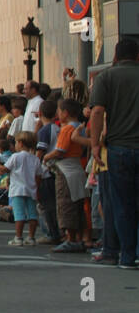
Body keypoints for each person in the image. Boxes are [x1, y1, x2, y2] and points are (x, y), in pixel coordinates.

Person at [88, 38, 139, 269]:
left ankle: (127, 256)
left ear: (116, 57)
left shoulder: (106, 77)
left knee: (122, 205)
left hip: (118, 148)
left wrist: (96, 144)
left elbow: (97, 111)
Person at [45, 98, 90, 253]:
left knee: (65, 204)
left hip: (65, 170)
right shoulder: (80, 127)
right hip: (78, 167)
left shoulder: (66, 129)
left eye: (59, 111)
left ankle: (70, 239)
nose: (57, 114)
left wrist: (46, 157)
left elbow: (60, 150)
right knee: (78, 205)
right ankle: (82, 237)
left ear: (65, 113)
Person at [3, 130, 45, 247]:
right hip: (31, 190)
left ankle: (18, 237)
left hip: (17, 190)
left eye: (16, 142)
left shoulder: (15, 157)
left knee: (19, 214)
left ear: (20, 143)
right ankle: (31, 237)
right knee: (32, 214)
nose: (15, 145)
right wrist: (35, 188)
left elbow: (6, 169)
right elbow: (39, 176)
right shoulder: (35, 159)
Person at [33, 98, 61, 245]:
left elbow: (40, 152)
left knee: (45, 205)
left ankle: (51, 233)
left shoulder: (45, 130)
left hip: (46, 172)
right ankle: (56, 231)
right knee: (53, 203)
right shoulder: (56, 128)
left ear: (40, 112)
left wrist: (34, 169)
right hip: (56, 170)